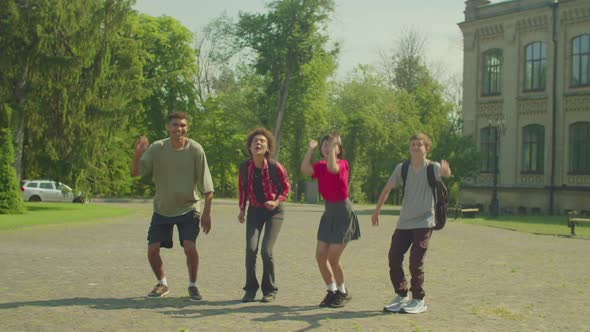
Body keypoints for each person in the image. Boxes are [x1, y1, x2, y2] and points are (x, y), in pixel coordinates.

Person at [131, 111, 214, 301]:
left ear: (187, 128)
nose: (179, 128)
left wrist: (206, 213)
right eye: (175, 125)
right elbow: (135, 172)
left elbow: (207, 187)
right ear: (168, 128)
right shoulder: (157, 148)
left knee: (189, 246)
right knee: (152, 249)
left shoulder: (195, 150)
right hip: (163, 208)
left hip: (188, 207)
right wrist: (137, 154)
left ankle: (193, 285)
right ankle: (162, 283)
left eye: (183, 125)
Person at [372, 133, 451, 314]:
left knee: (416, 261)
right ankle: (401, 295)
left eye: (419, 145)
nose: (415, 147)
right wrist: (377, 210)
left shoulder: (432, 167)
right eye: (412, 145)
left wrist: (446, 171)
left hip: (424, 221)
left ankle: (418, 299)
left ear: (426, 148)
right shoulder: (403, 168)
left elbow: (445, 174)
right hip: (405, 221)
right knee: (394, 256)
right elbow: (387, 188)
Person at [301, 133, 360, 308]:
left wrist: (334, 148)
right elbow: (305, 169)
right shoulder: (319, 165)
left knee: (333, 258)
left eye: (331, 145)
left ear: (339, 149)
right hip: (328, 213)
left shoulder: (342, 164)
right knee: (320, 256)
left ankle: (343, 292)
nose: (327, 147)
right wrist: (309, 151)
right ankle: (332, 291)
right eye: (324, 145)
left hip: (343, 213)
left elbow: (333, 168)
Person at [238, 128, 291, 303]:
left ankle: (270, 290)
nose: (258, 143)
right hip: (254, 211)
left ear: (268, 148)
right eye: (255, 141)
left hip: (274, 212)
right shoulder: (245, 167)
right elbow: (242, 190)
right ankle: (250, 290)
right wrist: (242, 210)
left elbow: (286, 187)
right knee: (250, 249)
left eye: (262, 141)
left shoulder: (276, 167)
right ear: (250, 147)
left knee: (266, 251)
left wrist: (276, 202)